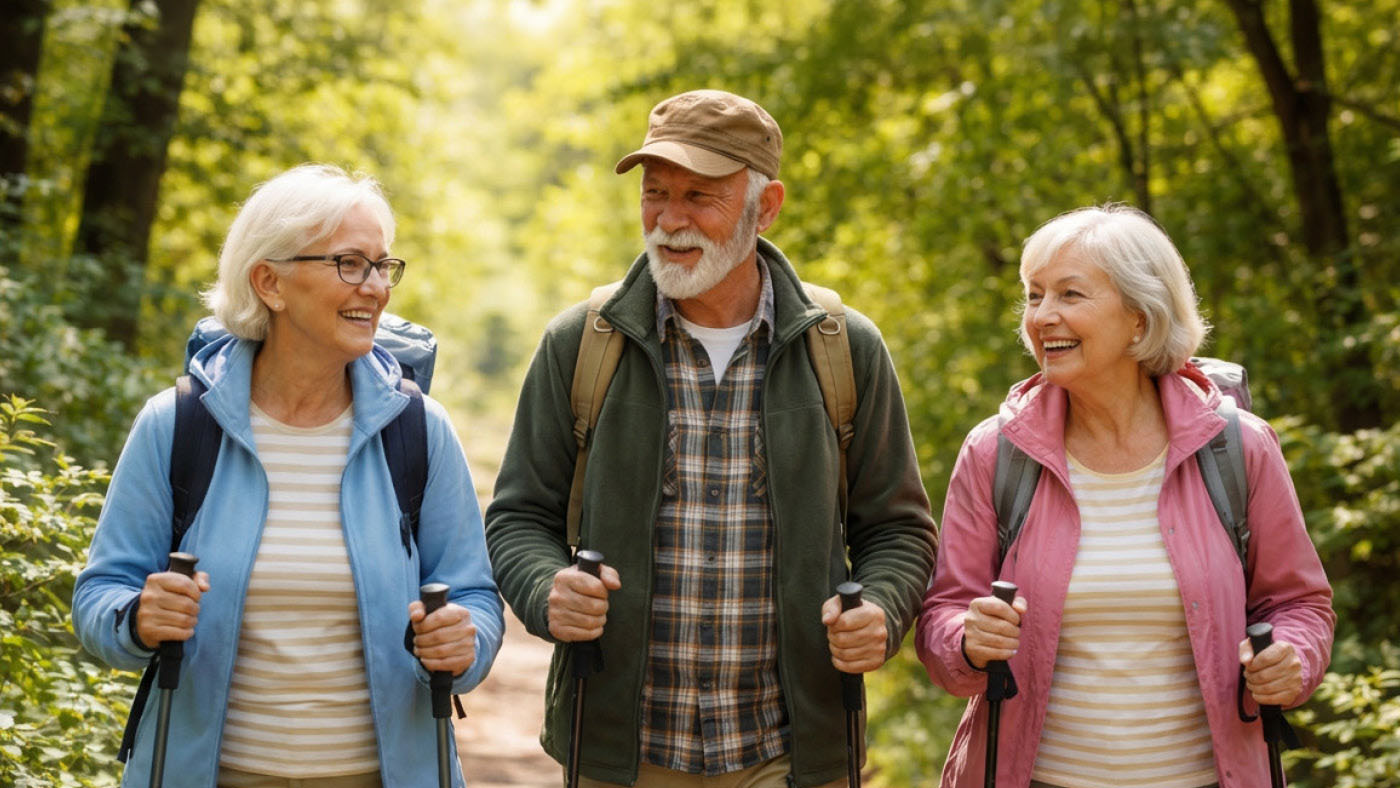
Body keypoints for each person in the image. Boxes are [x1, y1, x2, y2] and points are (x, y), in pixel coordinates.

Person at [484, 89, 936, 787]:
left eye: (700, 196)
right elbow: (519, 516)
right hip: (620, 754)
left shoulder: (843, 348)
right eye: (655, 193)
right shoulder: (582, 343)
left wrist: (880, 607)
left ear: (767, 205)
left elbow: (899, 530)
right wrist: (548, 590)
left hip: (790, 752)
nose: (669, 220)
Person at [72, 164, 504, 788]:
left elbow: (473, 596)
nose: (376, 288)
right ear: (269, 282)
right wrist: (140, 615)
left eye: (383, 266)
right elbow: (98, 597)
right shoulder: (178, 424)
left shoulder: (419, 430)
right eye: (350, 264)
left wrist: (464, 645)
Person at [915, 205, 1335, 788]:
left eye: (1069, 294)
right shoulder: (997, 452)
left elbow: (1301, 606)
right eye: (1034, 296)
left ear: (1140, 318)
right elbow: (942, 616)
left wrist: (1291, 657)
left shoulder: (1239, 447)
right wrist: (967, 639)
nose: (1042, 316)